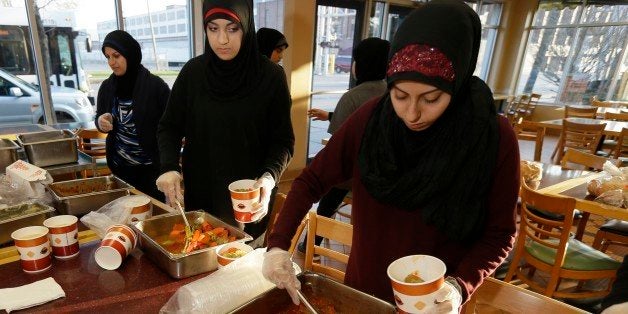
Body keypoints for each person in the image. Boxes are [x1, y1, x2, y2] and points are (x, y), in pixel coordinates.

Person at [262, 0, 520, 311]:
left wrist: (459, 285)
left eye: (431, 98)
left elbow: (500, 233)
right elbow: (311, 180)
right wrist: (277, 246)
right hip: (363, 292)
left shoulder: (492, 136)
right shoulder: (373, 119)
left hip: (434, 302)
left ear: (459, 80)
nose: (412, 114)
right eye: (400, 95)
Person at [156, 0, 294, 245]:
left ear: (247, 27)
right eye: (213, 28)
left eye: (232, 29)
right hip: (202, 198)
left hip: (249, 200)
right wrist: (169, 166)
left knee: (242, 273)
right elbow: (170, 126)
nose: (222, 40)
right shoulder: (193, 73)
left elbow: (282, 140)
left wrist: (270, 177)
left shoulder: (271, 77)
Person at [302, 37, 390, 251]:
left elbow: (339, 143)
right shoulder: (392, 93)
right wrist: (330, 115)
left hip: (351, 173)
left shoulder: (352, 97)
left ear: (359, 66)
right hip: (381, 175)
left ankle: (310, 247)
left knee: (328, 202)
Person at [96, 30, 170, 201]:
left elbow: (170, 125)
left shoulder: (155, 86)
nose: (111, 62)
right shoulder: (107, 87)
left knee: (153, 217)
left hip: (151, 170)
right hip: (120, 168)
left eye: (116, 55)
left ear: (130, 54)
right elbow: (100, 116)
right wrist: (101, 121)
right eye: (108, 57)